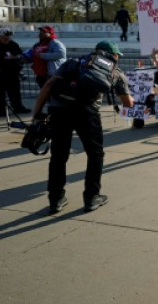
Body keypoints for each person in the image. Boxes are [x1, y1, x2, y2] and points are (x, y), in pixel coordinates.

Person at [31, 41, 133, 214]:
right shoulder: (115, 72)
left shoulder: (72, 62)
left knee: (59, 156)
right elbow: (128, 103)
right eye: (117, 55)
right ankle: (92, 197)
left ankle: (56, 200)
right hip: (87, 113)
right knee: (95, 154)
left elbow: (48, 86)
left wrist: (36, 115)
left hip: (59, 110)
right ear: (113, 55)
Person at [0, 28, 30, 115]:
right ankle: (2, 110)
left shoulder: (13, 44)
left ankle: (18, 107)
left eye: (8, 38)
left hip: (12, 72)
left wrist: (15, 57)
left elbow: (19, 54)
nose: (6, 40)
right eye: (4, 38)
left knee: (15, 93)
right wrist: (1, 58)